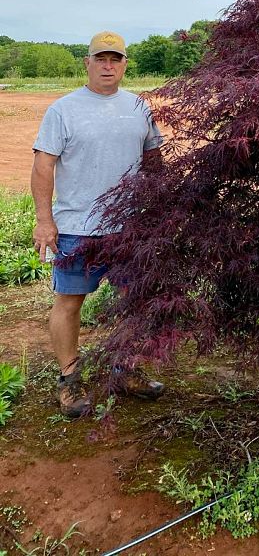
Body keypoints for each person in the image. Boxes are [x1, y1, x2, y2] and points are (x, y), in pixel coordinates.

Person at [31, 31, 165, 418]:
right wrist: (45, 220)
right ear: (87, 63)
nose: (108, 66)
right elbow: (43, 166)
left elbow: (154, 159)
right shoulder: (63, 110)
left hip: (131, 227)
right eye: (100, 59)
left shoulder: (139, 107)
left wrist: (161, 208)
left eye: (115, 59)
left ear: (125, 65)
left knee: (135, 303)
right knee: (70, 302)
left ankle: (127, 369)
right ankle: (69, 379)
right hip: (77, 227)